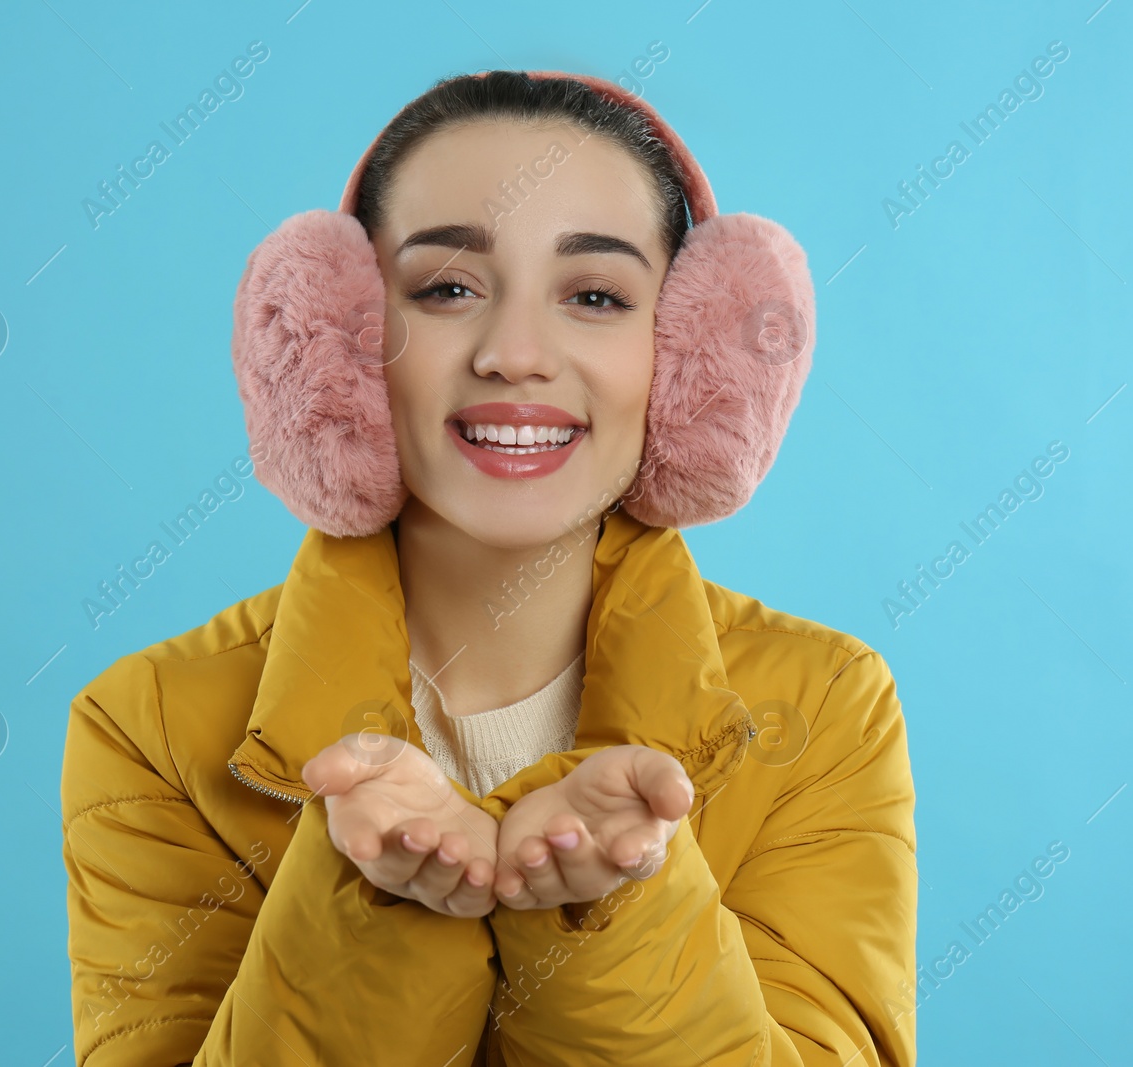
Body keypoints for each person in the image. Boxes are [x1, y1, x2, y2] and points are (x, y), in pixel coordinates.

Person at [60, 69, 917, 1066]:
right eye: (446, 289)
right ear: (334, 348)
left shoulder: (823, 707)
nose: (514, 353)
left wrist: (617, 907)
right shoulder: (149, 722)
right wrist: (370, 901)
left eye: (595, 295)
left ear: (690, 365)